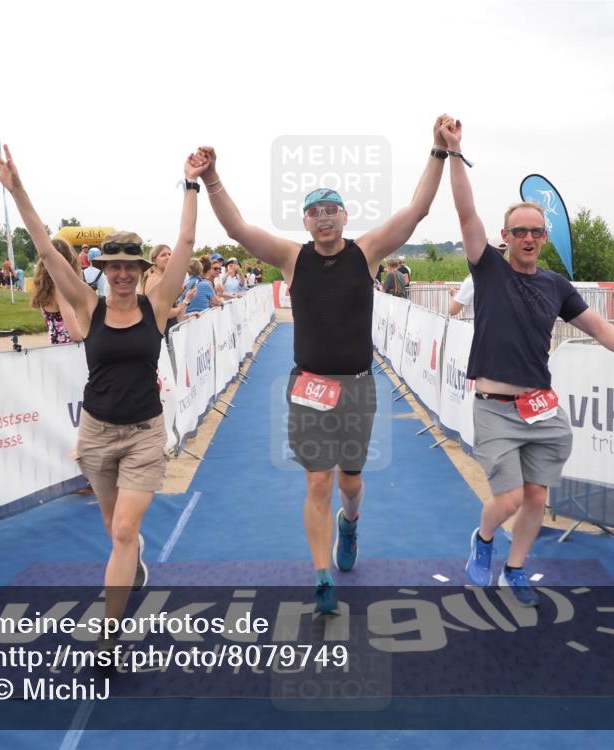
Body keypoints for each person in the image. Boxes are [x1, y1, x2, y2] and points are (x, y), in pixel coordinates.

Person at [193, 116, 451, 614]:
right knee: (317, 480)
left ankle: (349, 525)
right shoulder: (293, 259)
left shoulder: (368, 252)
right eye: (315, 211)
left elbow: (417, 210)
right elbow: (236, 229)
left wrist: (438, 150)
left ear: (345, 216)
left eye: (332, 209)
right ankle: (320, 576)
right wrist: (211, 179)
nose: (324, 217)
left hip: (357, 387)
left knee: (350, 482)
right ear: (305, 220)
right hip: (309, 386)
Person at [0, 142, 201, 651]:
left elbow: (188, 239)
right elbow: (44, 247)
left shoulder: (158, 302)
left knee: (124, 531)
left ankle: (109, 637)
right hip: (97, 432)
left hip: (146, 433)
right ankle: (134, 564)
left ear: (143, 269)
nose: (124, 273)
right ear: (103, 269)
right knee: (113, 528)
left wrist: (192, 184)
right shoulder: (88, 303)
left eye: (132, 265)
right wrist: (17, 189)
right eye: (115, 266)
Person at [442, 118, 614, 607]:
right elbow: (464, 210)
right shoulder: (487, 269)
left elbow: (596, 326)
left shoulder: (556, 285)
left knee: (537, 497)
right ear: (505, 235)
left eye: (537, 231)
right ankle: (484, 539)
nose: (530, 238)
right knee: (511, 498)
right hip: (494, 406)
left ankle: (516, 568)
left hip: (540, 407)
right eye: (520, 231)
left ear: (543, 236)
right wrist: (454, 153)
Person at [31, 239, 84, 344]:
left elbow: (50, 321)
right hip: (70, 349)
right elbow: (75, 334)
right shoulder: (61, 289)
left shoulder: (46, 287)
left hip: (56, 346)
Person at [141, 244, 193, 333]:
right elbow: (163, 313)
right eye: (163, 255)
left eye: (170, 254)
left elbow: (167, 305)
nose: (168, 257)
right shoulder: (154, 279)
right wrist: (184, 304)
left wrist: (188, 316)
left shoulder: (163, 279)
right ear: (154, 260)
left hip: (168, 329)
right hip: (160, 332)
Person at [447, 242, 507, 318]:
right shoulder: (509, 278)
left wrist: (454, 295)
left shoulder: (471, 282)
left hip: (475, 327)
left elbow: (452, 311)